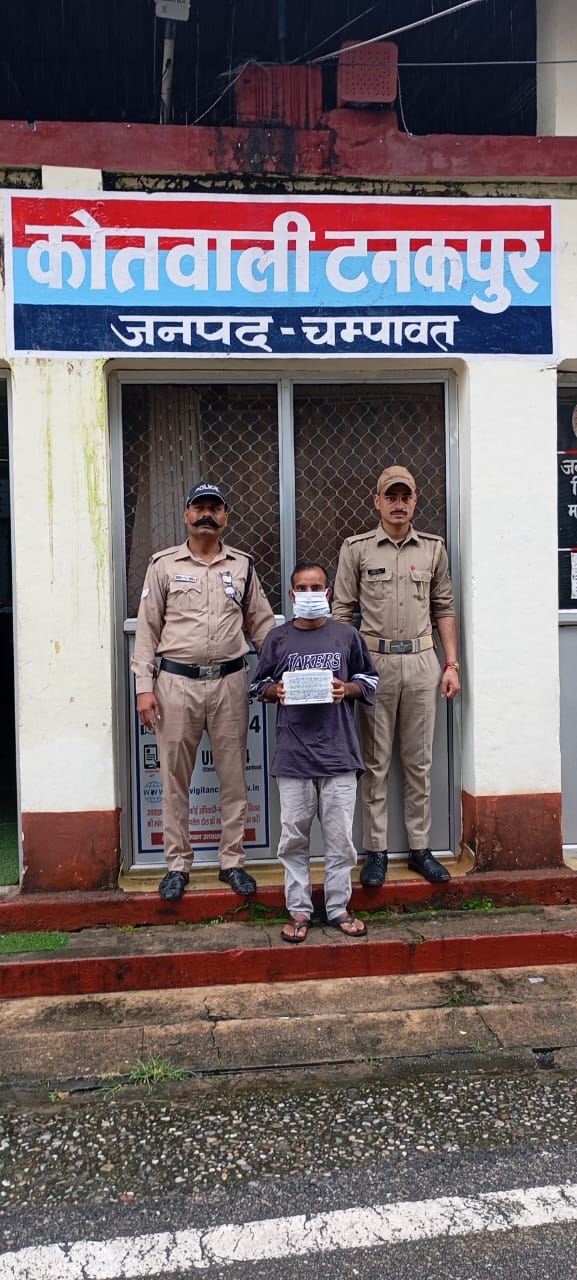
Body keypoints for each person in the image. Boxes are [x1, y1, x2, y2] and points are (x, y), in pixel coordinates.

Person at [131, 482, 276, 901]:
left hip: (230, 682)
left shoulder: (243, 566)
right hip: (175, 685)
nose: (206, 514)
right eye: (199, 508)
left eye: (215, 508)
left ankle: (232, 861)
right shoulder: (163, 565)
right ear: (186, 515)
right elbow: (147, 631)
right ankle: (177, 865)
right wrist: (143, 687)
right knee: (174, 779)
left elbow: (263, 627)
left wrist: (280, 673)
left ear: (225, 517)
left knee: (234, 778)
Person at [332, 465, 460, 887]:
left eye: (406, 496)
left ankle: (420, 849)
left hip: (422, 663)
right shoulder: (357, 549)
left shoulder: (433, 549)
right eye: (391, 496)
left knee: (419, 762)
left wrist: (451, 664)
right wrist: (344, 669)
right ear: (378, 501)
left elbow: (443, 607)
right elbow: (342, 611)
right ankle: (377, 852)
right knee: (375, 763)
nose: (399, 504)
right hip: (375, 665)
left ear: (415, 500)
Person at [252, 560, 378, 943]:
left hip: (339, 755)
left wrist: (347, 689)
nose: (310, 594)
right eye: (302, 589)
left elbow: (370, 680)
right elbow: (257, 686)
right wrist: (276, 690)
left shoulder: (347, 636)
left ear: (328, 592)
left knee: (341, 841)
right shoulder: (277, 639)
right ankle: (299, 910)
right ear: (292, 595)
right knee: (293, 841)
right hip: (294, 757)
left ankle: (339, 908)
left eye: (316, 587)